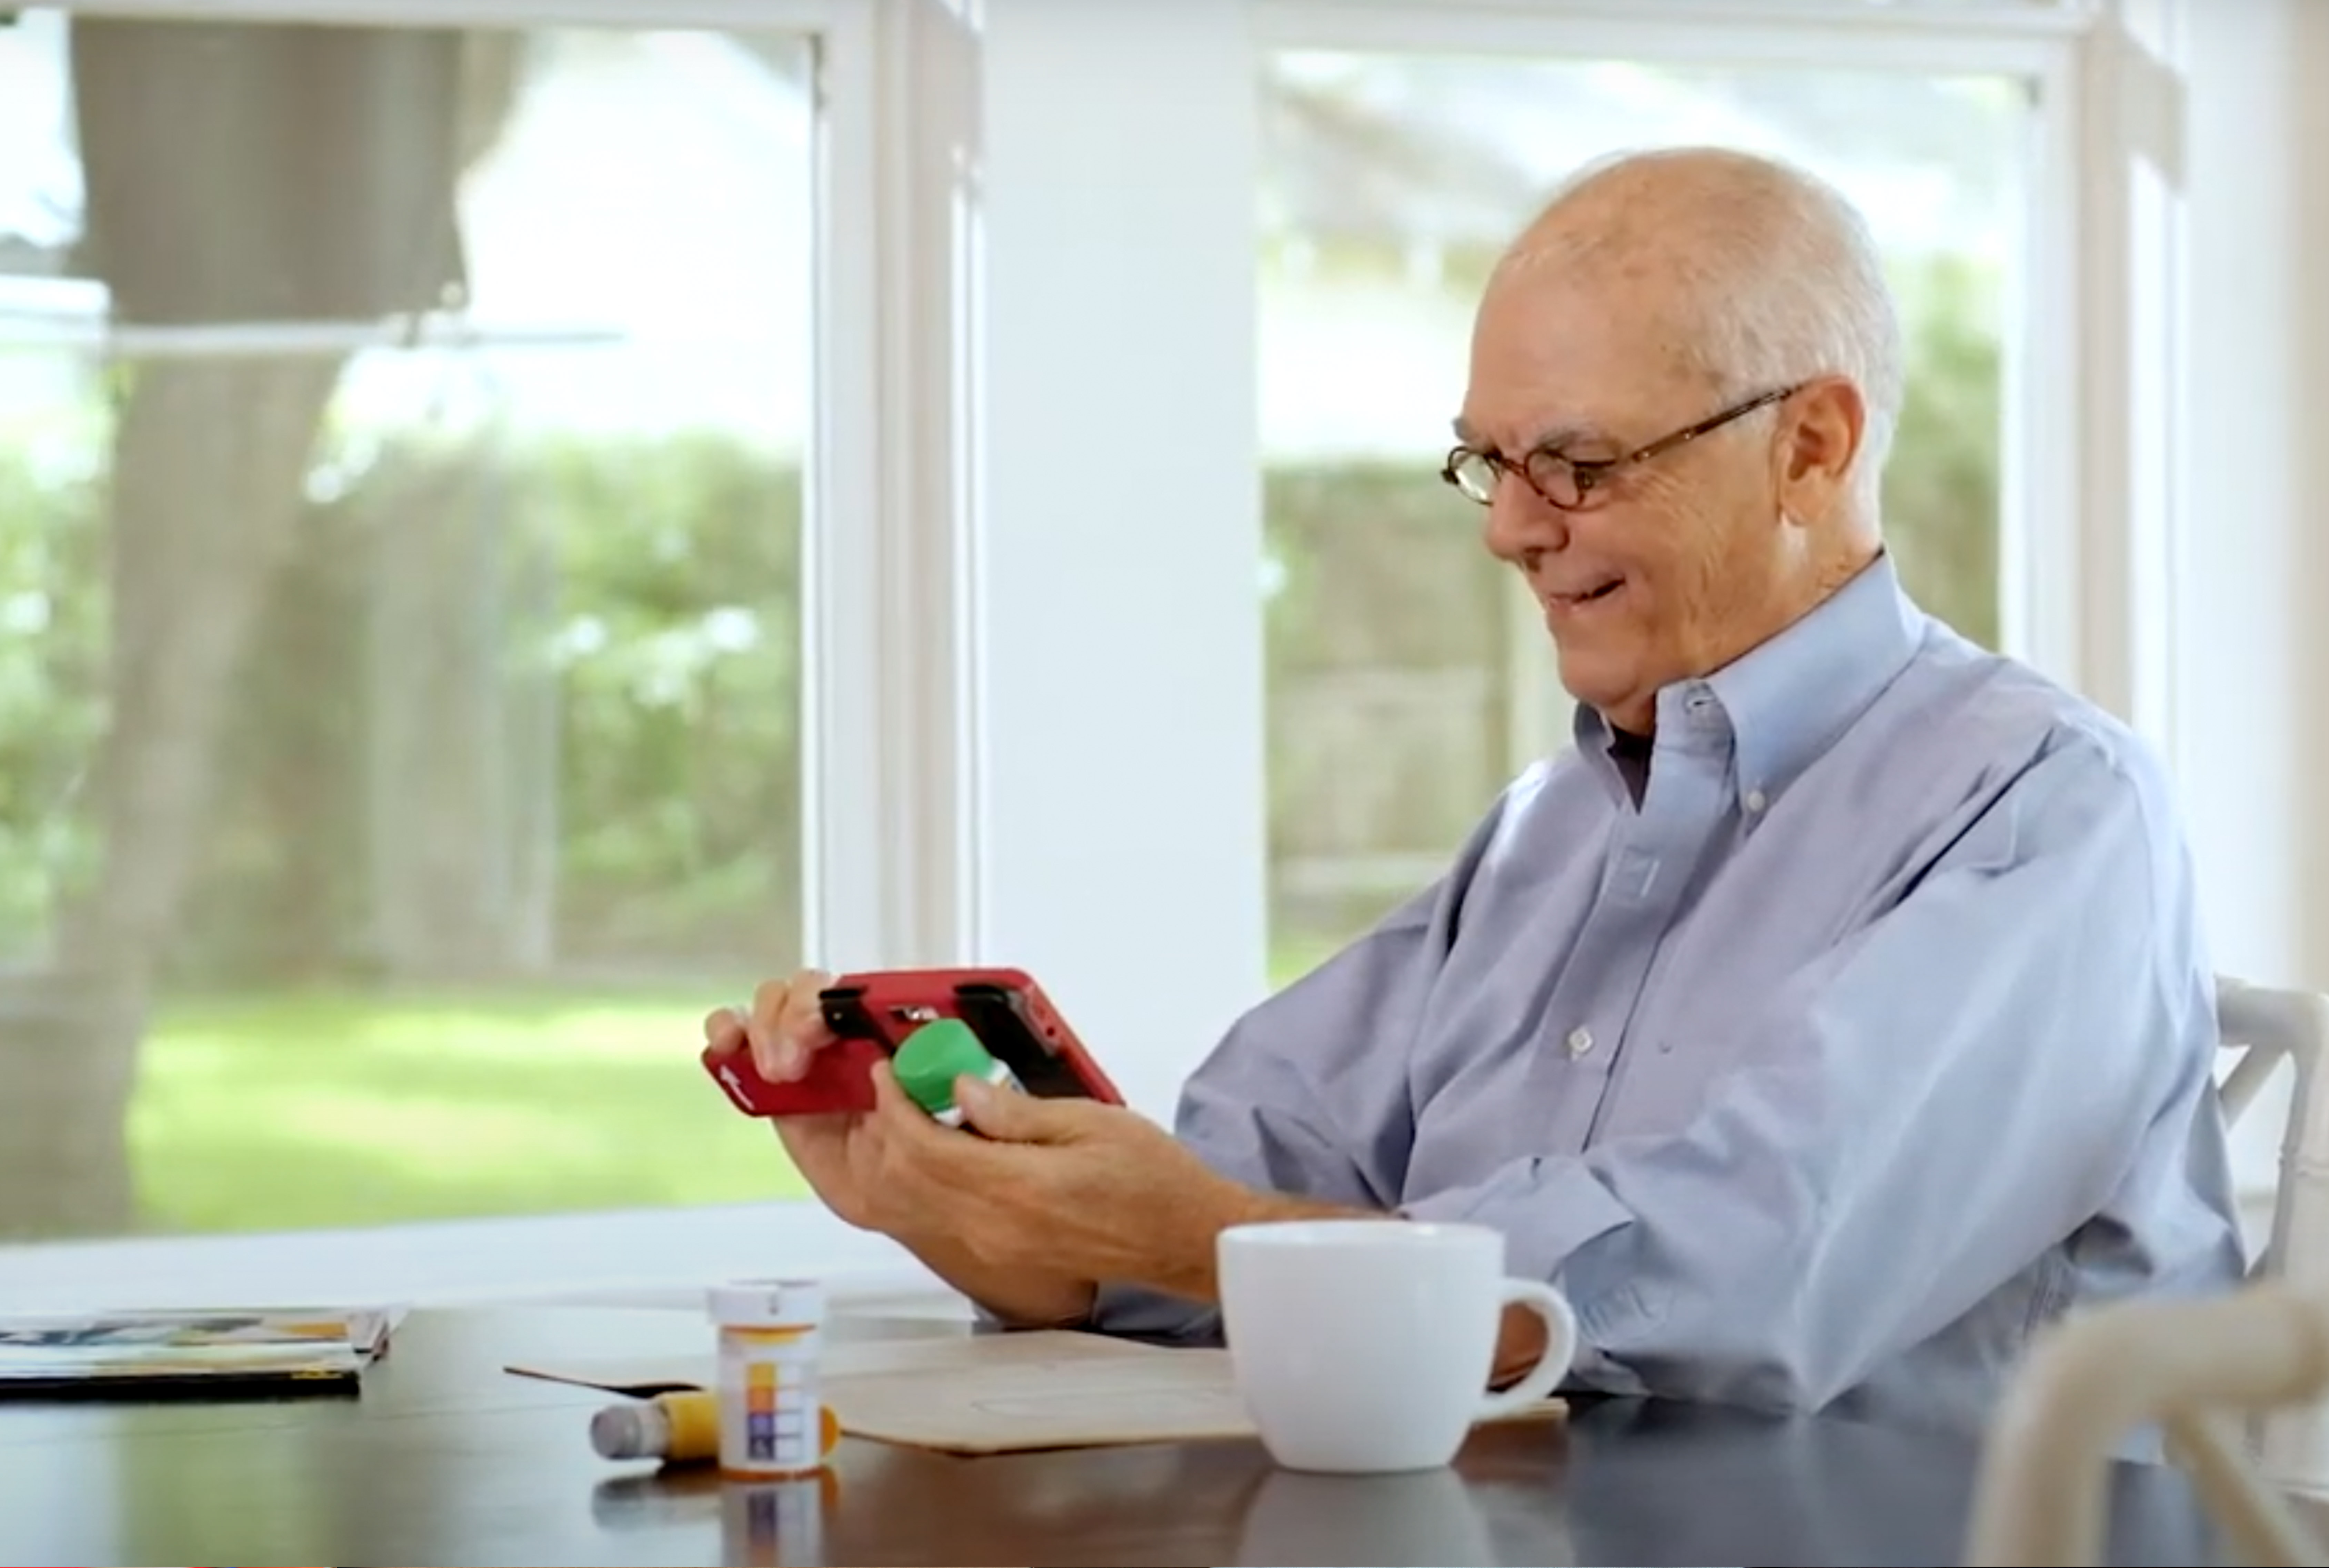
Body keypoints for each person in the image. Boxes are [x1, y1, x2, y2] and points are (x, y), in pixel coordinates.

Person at [703, 146, 2245, 1436]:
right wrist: (979, 1204)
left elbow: (1743, 1284)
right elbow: (1253, 1176)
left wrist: (1188, 1234)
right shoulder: (1556, 824)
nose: (1511, 531)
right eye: (1486, 463)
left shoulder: (2045, 806)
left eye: (1575, 465)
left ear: (1811, 449)